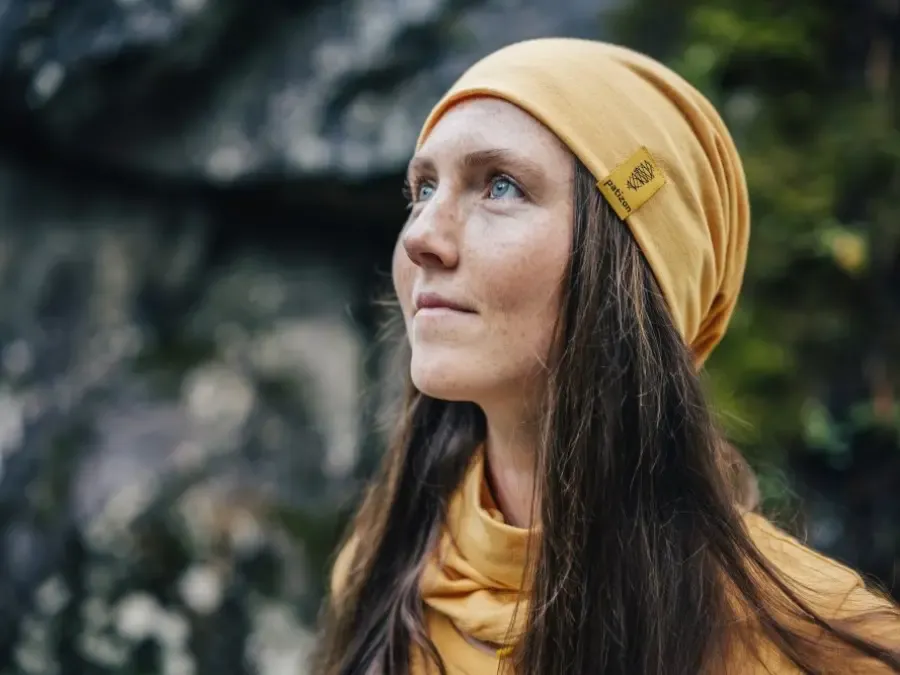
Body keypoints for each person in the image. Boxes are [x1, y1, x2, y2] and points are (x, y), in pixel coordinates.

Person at [315, 38, 900, 674]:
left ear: (634, 268)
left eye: (501, 186)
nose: (421, 236)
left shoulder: (820, 644)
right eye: (423, 189)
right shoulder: (384, 566)